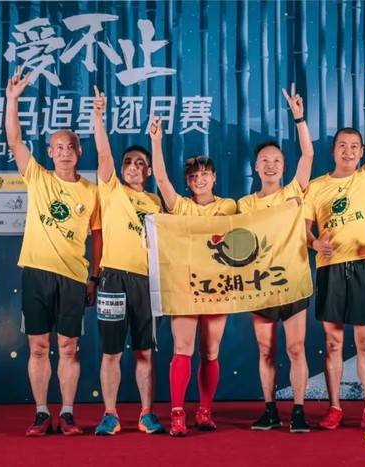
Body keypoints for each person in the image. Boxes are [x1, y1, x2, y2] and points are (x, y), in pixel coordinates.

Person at [5, 67, 102, 436]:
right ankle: (42, 412)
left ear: (79, 151)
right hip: (36, 273)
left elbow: (98, 238)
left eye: (70, 147)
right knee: (38, 346)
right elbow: (15, 140)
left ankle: (69, 413)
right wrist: (12, 100)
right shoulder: (37, 176)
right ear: (49, 152)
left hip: (74, 278)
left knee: (70, 348)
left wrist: (93, 278)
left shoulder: (91, 192)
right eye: (58, 147)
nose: (64, 152)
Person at [304, 65, 365, 429]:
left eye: (355, 146)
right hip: (330, 270)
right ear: (333, 150)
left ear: (360, 152)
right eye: (343, 145)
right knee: (333, 343)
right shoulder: (316, 186)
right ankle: (335, 407)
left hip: (363, 266)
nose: (349, 151)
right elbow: (304, 229)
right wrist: (314, 244)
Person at [148, 116, 236, 437]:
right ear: (188, 182)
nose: (200, 179)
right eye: (194, 176)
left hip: (217, 288)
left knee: (210, 352)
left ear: (214, 177)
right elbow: (160, 179)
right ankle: (177, 413)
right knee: (182, 349)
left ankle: (204, 410)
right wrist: (156, 141)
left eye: (205, 174)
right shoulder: (181, 206)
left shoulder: (229, 206)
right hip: (185, 286)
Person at [237, 84, 313, 433]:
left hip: (293, 282)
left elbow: (308, 155)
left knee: (296, 349)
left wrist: (299, 118)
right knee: (265, 351)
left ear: (283, 168)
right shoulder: (244, 204)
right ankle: (269, 410)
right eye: (264, 161)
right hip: (260, 287)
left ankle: (298, 410)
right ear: (255, 167)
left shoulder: (294, 192)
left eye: (276, 161)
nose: (270, 166)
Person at [91, 86, 165, 435]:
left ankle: (147, 414)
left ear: (147, 171)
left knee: (145, 352)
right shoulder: (110, 189)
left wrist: (156, 143)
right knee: (111, 353)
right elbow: (103, 153)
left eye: (140, 163)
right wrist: (99, 117)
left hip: (147, 283)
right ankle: (110, 414)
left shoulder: (155, 202)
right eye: (128, 163)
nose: (133, 167)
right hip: (113, 279)